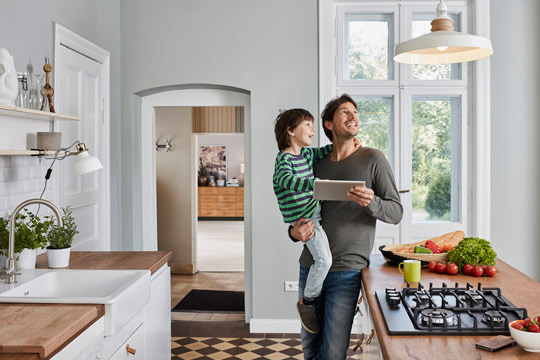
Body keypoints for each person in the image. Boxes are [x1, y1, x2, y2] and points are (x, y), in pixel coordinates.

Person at [289, 94, 403, 359]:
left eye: (355, 111)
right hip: (310, 266)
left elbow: (396, 212)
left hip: (347, 273)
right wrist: (294, 233)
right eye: (344, 112)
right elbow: (296, 206)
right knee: (310, 349)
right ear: (328, 124)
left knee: (332, 353)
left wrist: (372, 202)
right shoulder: (313, 162)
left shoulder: (373, 159)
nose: (353, 115)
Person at [272, 108, 334, 334]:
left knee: (324, 260)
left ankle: (309, 299)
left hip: (313, 214)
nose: (313, 129)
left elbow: (326, 151)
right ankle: (307, 302)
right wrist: (315, 185)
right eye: (307, 125)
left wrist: (347, 145)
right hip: (306, 220)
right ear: (290, 130)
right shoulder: (283, 159)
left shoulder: (307, 155)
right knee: (324, 261)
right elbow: (286, 180)